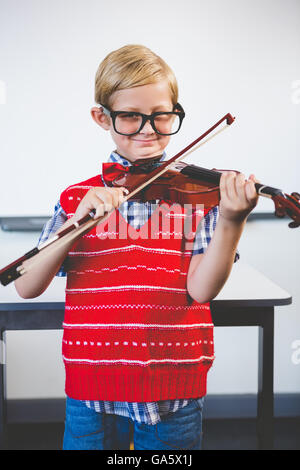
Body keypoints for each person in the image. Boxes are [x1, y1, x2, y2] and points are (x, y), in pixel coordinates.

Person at [14, 44, 258, 450]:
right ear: (101, 117)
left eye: (161, 115)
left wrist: (232, 219)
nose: (148, 129)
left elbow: (201, 290)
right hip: (91, 386)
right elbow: (27, 286)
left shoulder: (202, 196)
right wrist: (76, 225)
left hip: (173, 386)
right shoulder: (77, 198)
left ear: (175, 111)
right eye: (130, 116)